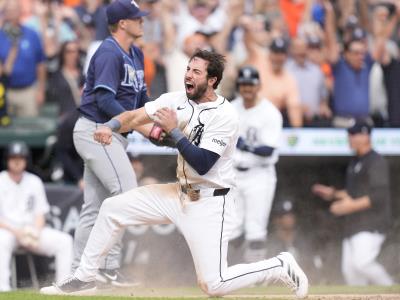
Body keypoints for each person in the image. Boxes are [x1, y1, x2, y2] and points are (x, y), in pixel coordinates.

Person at [40, 49, 308, 298]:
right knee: (111, 208)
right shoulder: (175, 100)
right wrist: (110, 126)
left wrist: (174, 132)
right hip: (177, 193)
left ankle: (279, 266)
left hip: (210, 201)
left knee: (214, 284)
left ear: (212, 80)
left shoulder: (226, 114)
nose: (188, 75)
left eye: (197, 72)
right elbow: (134, 117)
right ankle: (85, 277)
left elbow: (203, 162)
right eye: (188, 69)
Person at [71, 0, 150, 287]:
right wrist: (145, 125)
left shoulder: (136, 53)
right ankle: (106, 266)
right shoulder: (108, 52)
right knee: (125, 196)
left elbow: (142, 102)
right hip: (96, 130)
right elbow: (104, 100)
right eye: (137, 18)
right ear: (122, 23)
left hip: (112, 134)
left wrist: (159, 119)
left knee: (94, 208)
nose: (142, 21)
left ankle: (77, 274)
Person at [312, 119, 393, 286]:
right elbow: (354, 193)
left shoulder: (375, 161)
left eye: (353, 134)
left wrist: (347, 207)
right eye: (349, 134)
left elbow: (378, 195)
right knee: (350, 271)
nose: (349, 138)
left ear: (365, 136)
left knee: (362, 263)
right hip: (354, 226)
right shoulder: (355, 162)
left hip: (371, 224)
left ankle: (391, 290)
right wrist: (333, 194)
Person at [0, 141, 73, 291]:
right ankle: (3, 289)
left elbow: (40, 214)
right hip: (8, 231)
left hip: (31, 231)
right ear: (7, 159)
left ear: (26, 160)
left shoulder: (34, 181)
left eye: (20, 158)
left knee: (65, 241)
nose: (17, 161)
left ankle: (63, 288)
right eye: (13, 157)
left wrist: (35, 233)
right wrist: (17, 232)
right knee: (1, 240)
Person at [230, 66, 283, 262]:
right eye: (243, 85)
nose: (247, 89)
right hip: (234, 173)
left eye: (250, 84)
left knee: (255, 228)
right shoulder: (231, 108)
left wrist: (246, 146)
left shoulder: (270, 112)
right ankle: (229, 272)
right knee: (232, 226)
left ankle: (256, 277)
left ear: (258, 85)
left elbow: (268, 149)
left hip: (259, 175)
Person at [0, 1, 46, 117]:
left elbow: (40, 64)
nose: (11, 13)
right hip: (5, 92)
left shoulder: (31, 34)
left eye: (14, 10)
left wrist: (40, 90)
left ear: (20, 11)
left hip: (28, 91)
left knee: (29, 128)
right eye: (8, 10)